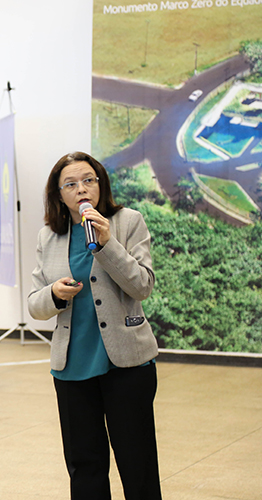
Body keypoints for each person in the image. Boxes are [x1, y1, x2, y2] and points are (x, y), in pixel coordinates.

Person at [28, 151, 161, 500]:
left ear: (100, 184)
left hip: (126, 362)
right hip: (72, 366)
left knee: (138, 463)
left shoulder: (128, 221)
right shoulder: (48, 236)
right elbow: (34, 304)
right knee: (84, 466)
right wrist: (54, 294)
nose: (81, 189)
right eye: (70, 184)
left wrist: (107, 245)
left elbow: (142, 285)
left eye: (89, 180)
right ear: (59, 195)